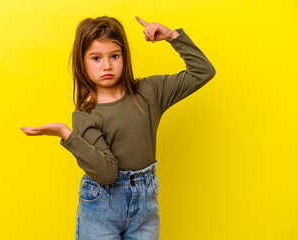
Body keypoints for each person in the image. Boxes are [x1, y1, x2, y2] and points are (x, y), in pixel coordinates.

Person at [20, 15, 215, 240]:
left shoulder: (149, 92)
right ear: (81, 62)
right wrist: (67, 135)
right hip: (102, 205)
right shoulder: (85, 115)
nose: (107, 66)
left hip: (145, 204)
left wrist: (173, 36)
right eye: (96, 58)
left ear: (125, 56)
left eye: (114, 56)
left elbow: (203, 72)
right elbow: (107, 173)